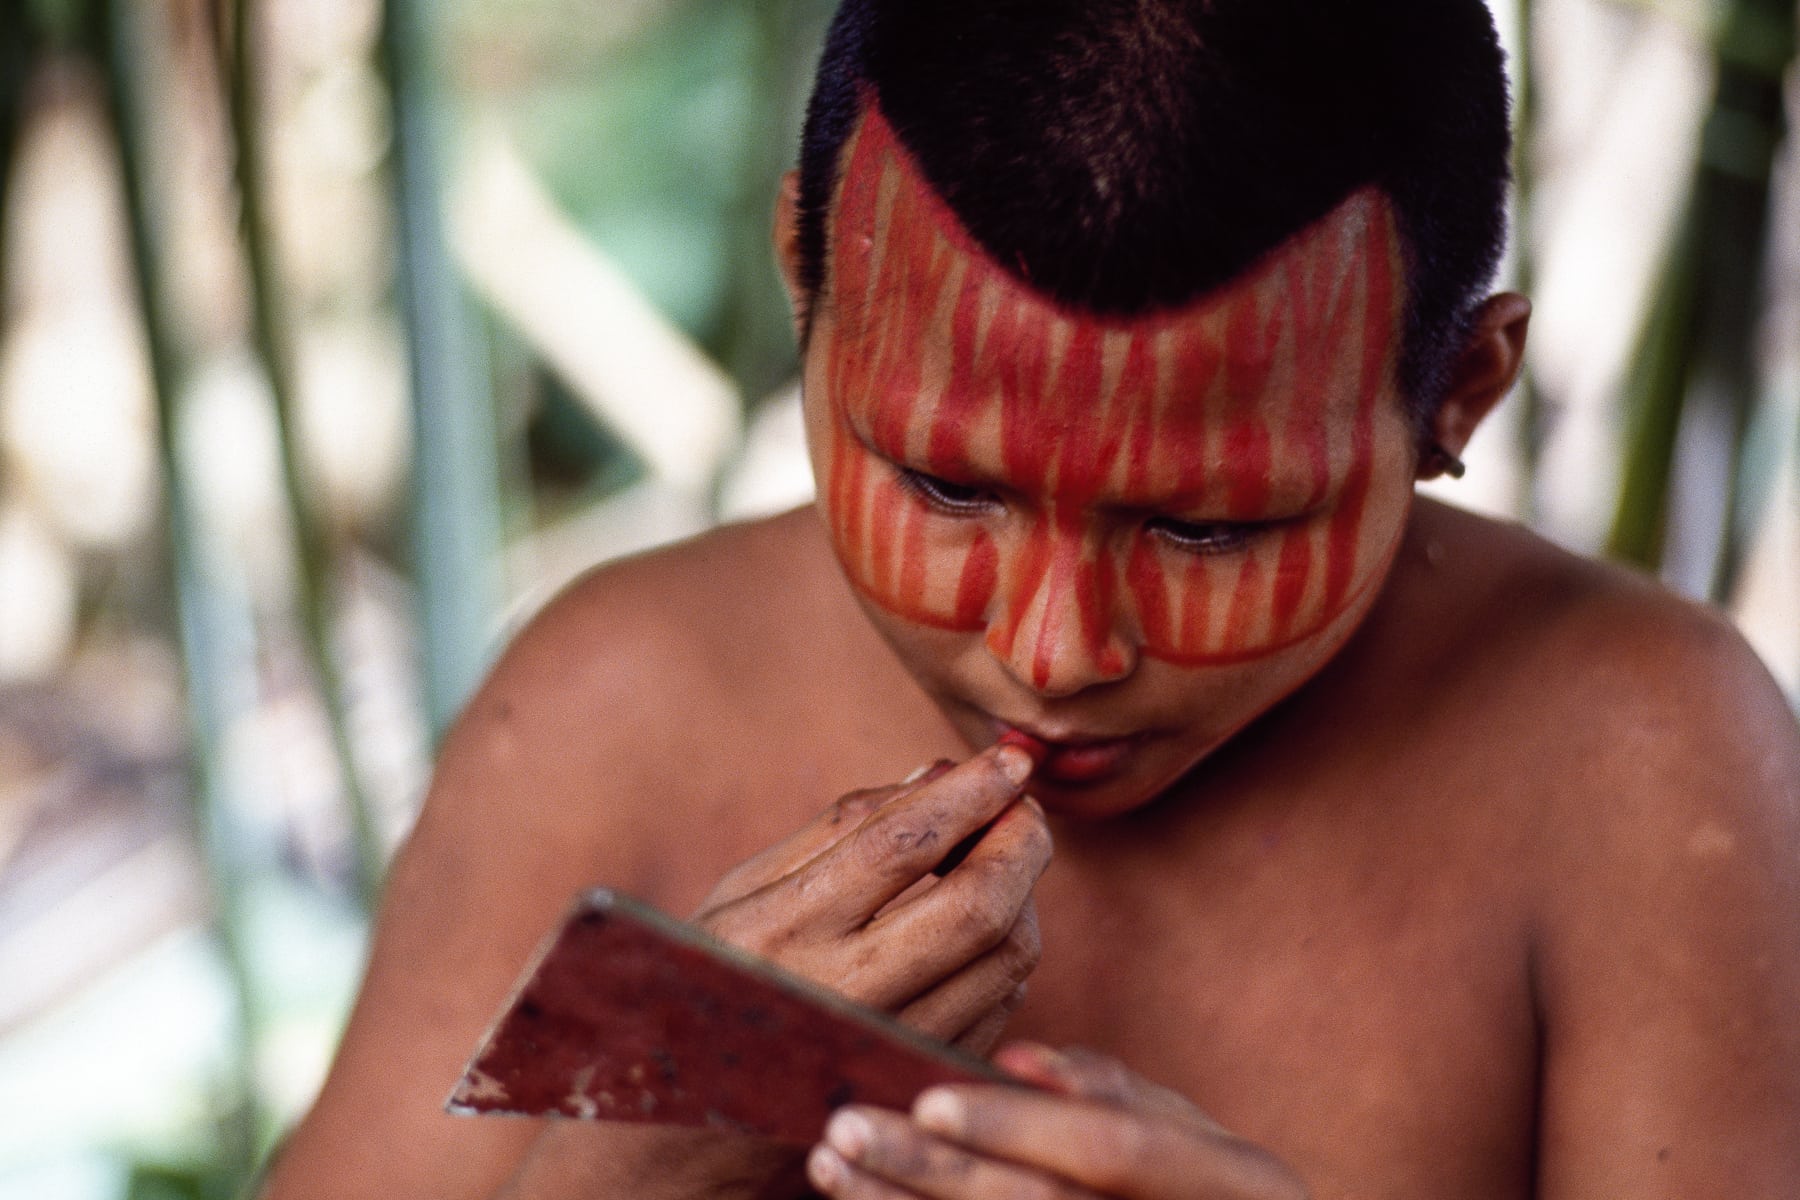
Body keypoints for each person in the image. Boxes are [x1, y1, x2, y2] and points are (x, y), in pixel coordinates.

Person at [263, 1, 1800, 1197]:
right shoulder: (622, 699)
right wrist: (637, 1164)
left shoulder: (1634, 758)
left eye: (1206, 529)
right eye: (947, 488)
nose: (1048, 653)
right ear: (810, 275)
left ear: (1456, 393)